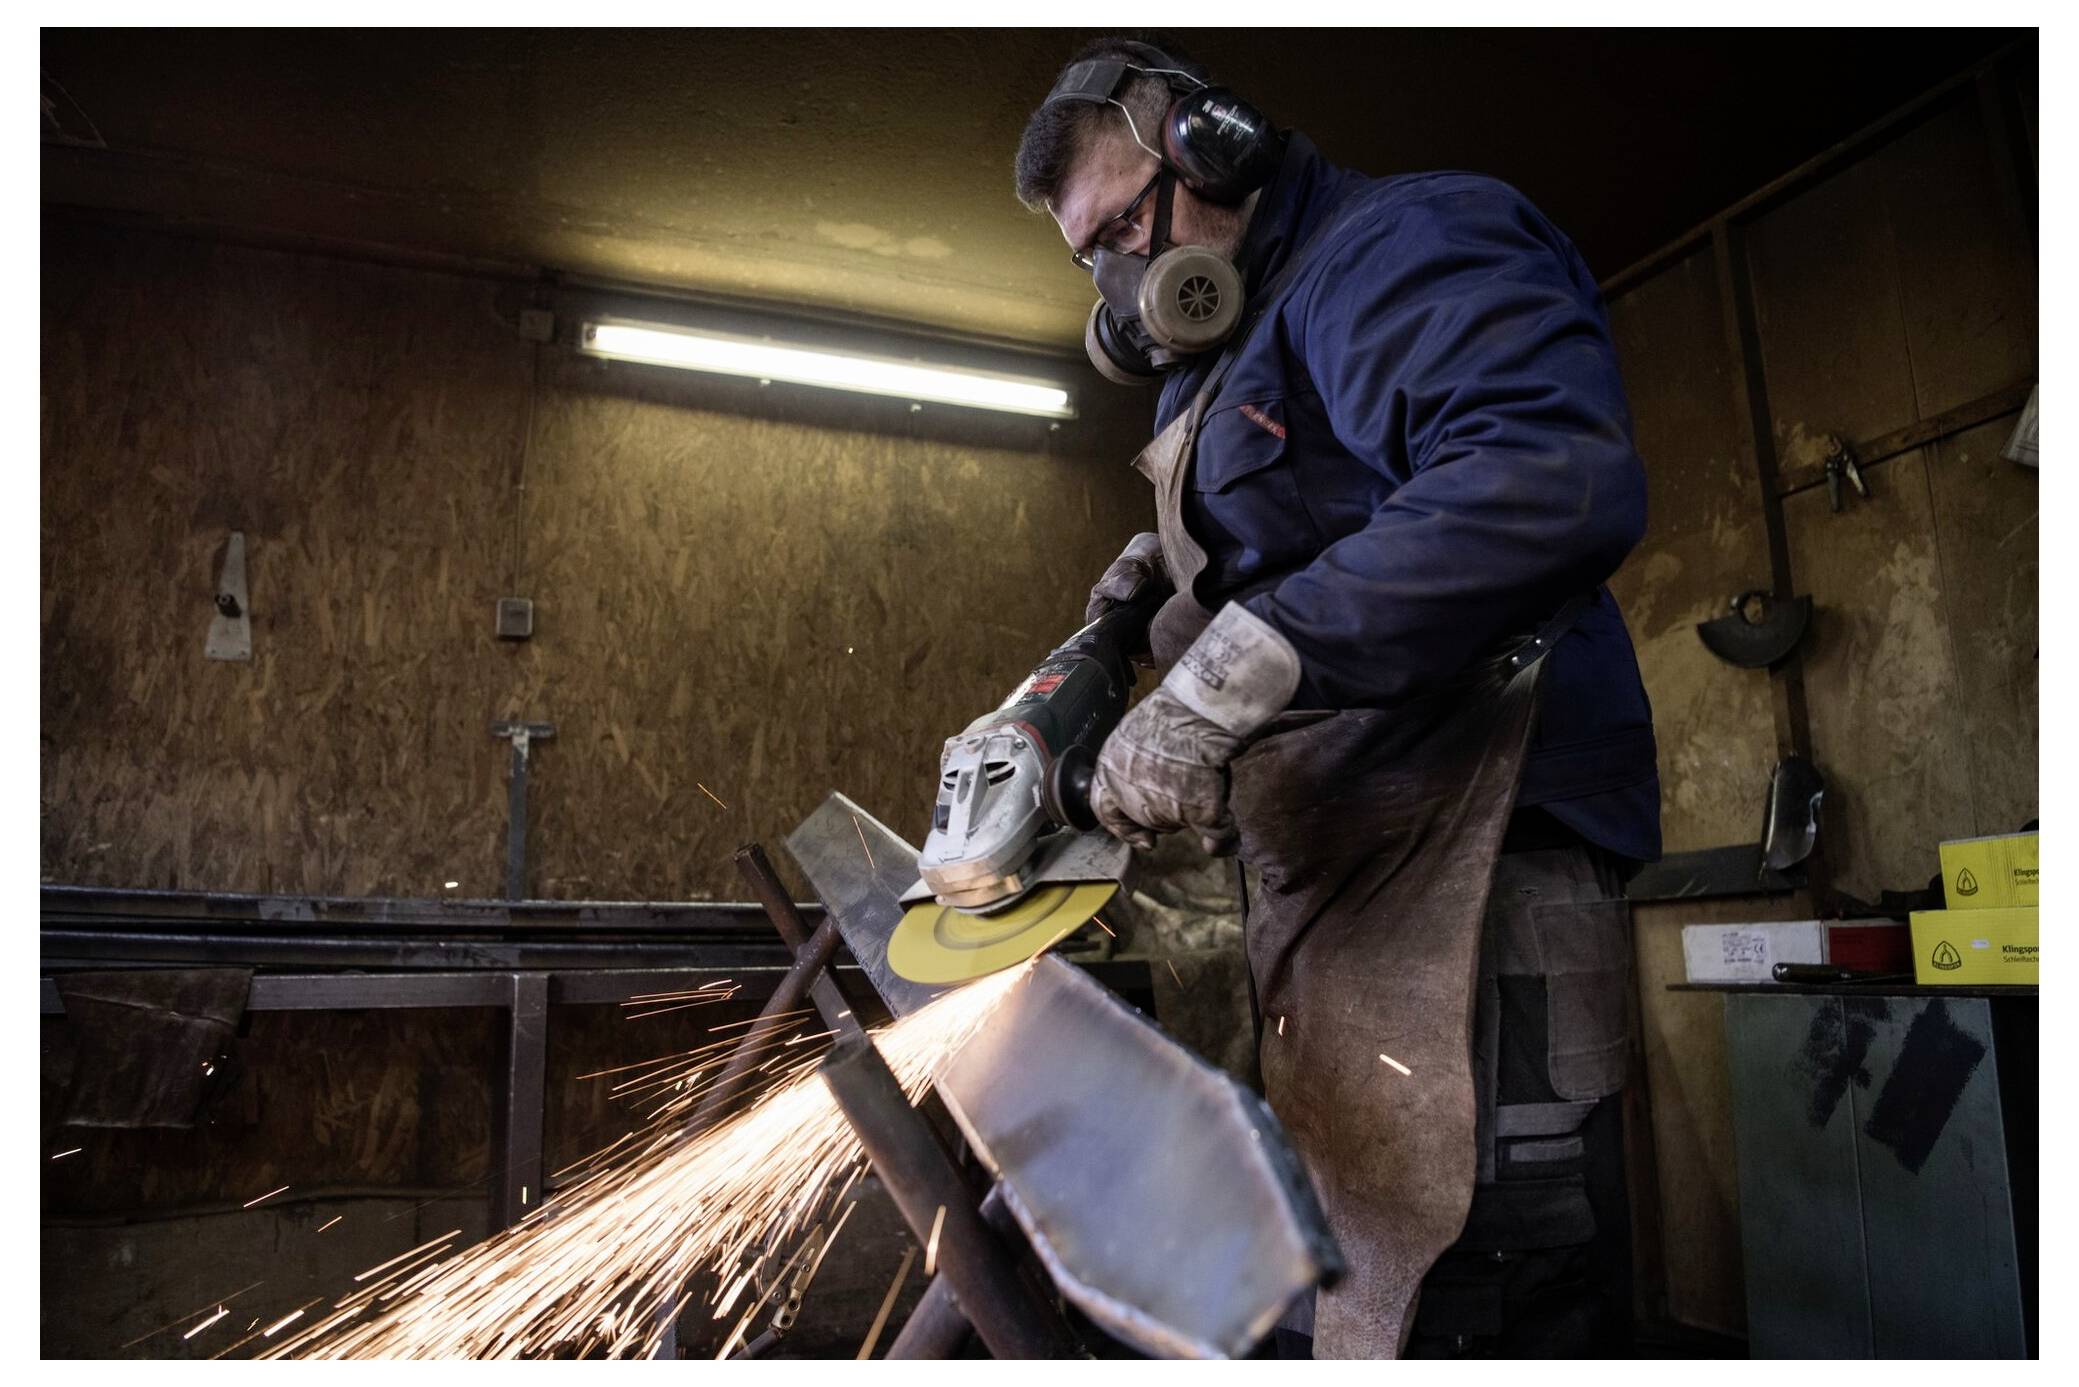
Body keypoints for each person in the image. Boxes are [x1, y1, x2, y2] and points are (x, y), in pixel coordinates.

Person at [1013, 37, 1661, 1358]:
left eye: (1129, 224)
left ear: (1219, 145)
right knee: (1368, 1269)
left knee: (1489, 1263)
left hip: (1484, 858)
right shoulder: (1228, 339)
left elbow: (1540, 477)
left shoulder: (1405, 243)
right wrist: (1135, 608)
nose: (1128, 280)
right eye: (1095, 258)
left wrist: (1222, 681)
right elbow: (1295, 530)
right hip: (1349, 864)